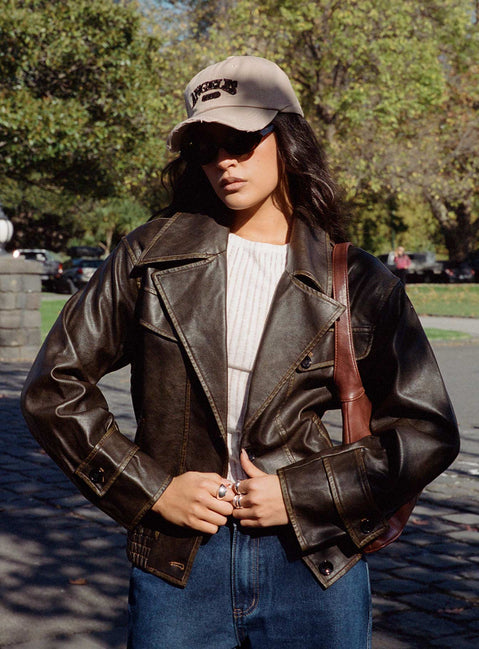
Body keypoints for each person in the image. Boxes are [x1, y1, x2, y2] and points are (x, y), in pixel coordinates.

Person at [21, 56, 459, 649]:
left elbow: (426, 429)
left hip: (312, 560)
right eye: (204, 146)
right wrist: (153, 488)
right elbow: (54, 387)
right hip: (180, 562)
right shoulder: (149, 257)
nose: (224, 160)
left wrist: (299, 494)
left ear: (288, 139)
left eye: (242, 140)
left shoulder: (358, 280)